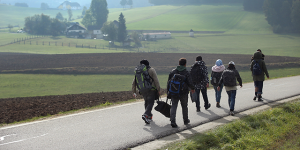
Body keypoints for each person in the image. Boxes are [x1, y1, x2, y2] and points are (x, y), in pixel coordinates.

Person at [168, 58, 195, 128]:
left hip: (174, 92)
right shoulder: (186, 72)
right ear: (185, 64)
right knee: (184, 106)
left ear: (179, 63)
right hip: (184, 92)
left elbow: (169, 82)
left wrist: (169, 92)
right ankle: (185, 120)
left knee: (174, 106)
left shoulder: (173, 71)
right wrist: (192, 89)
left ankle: (173, 121)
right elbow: (190, 82)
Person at [132, 59, 161, 124]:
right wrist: (158, 89)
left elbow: (134, 82)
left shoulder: (139, 71)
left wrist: (134, 91)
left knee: (146, 102)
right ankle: (146, 115)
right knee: (151, 103)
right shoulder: (151, 70)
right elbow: (156, 80)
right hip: (151, 89)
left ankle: (148, 117)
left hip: (143, 90)